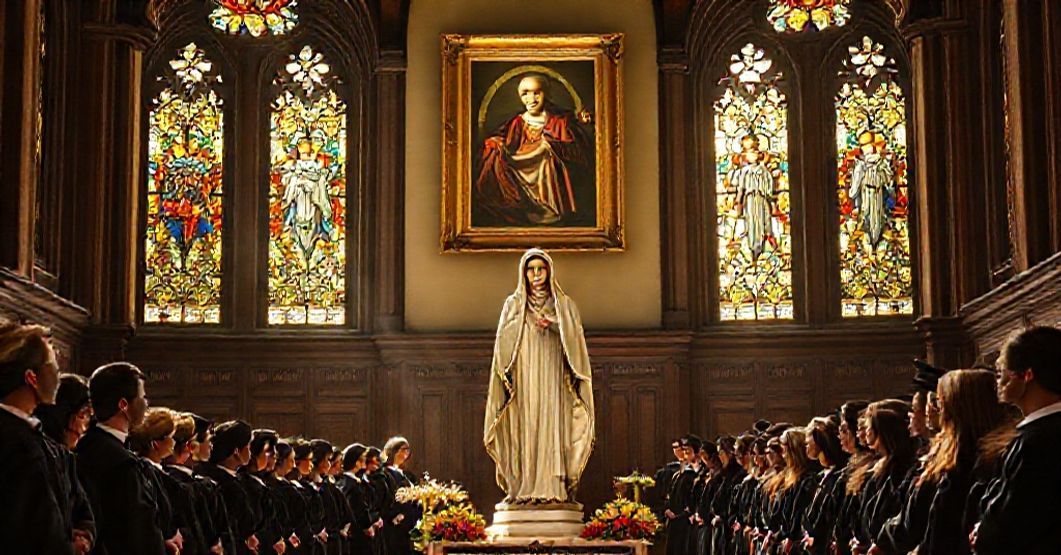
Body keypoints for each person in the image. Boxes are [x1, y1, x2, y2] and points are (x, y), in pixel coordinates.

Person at [484, 248, 595, 505]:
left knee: (552, 425)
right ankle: (522, 486)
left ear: (549, 271)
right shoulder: (513, 304)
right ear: (523, 273)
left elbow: (576, 343)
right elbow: (502, 343)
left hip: (553, 374)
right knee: (525, 426)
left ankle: (553, 488)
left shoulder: (564, 305)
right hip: (524, 374)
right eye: (531, 269)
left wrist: (555, 325)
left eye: (541, 269)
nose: (536, 274)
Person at [0, 322, 91, 554]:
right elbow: (28, 531)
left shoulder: (34, 438)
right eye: (53, 365)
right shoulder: (16, 443)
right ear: (32, 377)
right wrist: (69, 548)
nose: (58, 375)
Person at [975, 326, 1061, 554]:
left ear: (1026, 375)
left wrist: (983, 534)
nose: (998, 381)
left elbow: (1013, 519)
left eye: (1001, 372)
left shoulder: (1035, 441)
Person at [474, 74, 592, 227]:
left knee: (547, 149)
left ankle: (548, 207)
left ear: (546, 95)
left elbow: (572, 142)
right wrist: (496, 142)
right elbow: (506, 139)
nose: (531, 99)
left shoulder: (557, 121)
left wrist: (580, 121)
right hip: (518, 162)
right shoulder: (518, 121)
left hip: (544, 164)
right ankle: (529, 205)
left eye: (537, 93)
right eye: (525, 94)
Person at [76, 361, 166, 554]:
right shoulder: (120, 462)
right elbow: (135, 530)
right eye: (142, 397)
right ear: (123, 405)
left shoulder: (87, 446)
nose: (146, 403)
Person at [197, 419, 260, 554]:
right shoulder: (221, 483)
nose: (251, 452)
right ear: (236, 451)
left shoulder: (241, 480)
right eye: (248, 446)